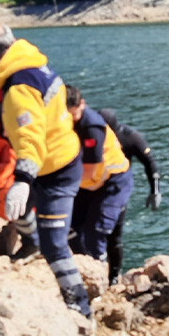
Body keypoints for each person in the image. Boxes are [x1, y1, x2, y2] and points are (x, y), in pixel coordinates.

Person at [0, 23, 91, 318]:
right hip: (55, 156)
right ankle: (33, 241)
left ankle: (79, 307)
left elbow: (31, 139)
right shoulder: (35, 66)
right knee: (15, 208)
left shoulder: (18, 89)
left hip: (55, 169)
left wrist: (23, 179)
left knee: (56, 246)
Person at [65, 87, 133, 282]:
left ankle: (101, 279)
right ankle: (80, 268)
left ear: (81, 104)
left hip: (112, 181)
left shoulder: (91, 127)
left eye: (74, 114)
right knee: (72, 227)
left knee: (97, 232)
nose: (71, 118)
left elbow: (91, 169)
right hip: (89, 183)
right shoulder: (64, 121)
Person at [95, 107, 162, 281]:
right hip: (92, 187)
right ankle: (93, 265)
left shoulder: (129, 136)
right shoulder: (91, 133)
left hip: (117, 189)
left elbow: (150, 161)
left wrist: (155, 190)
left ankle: (114, 275)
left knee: (114, 235)